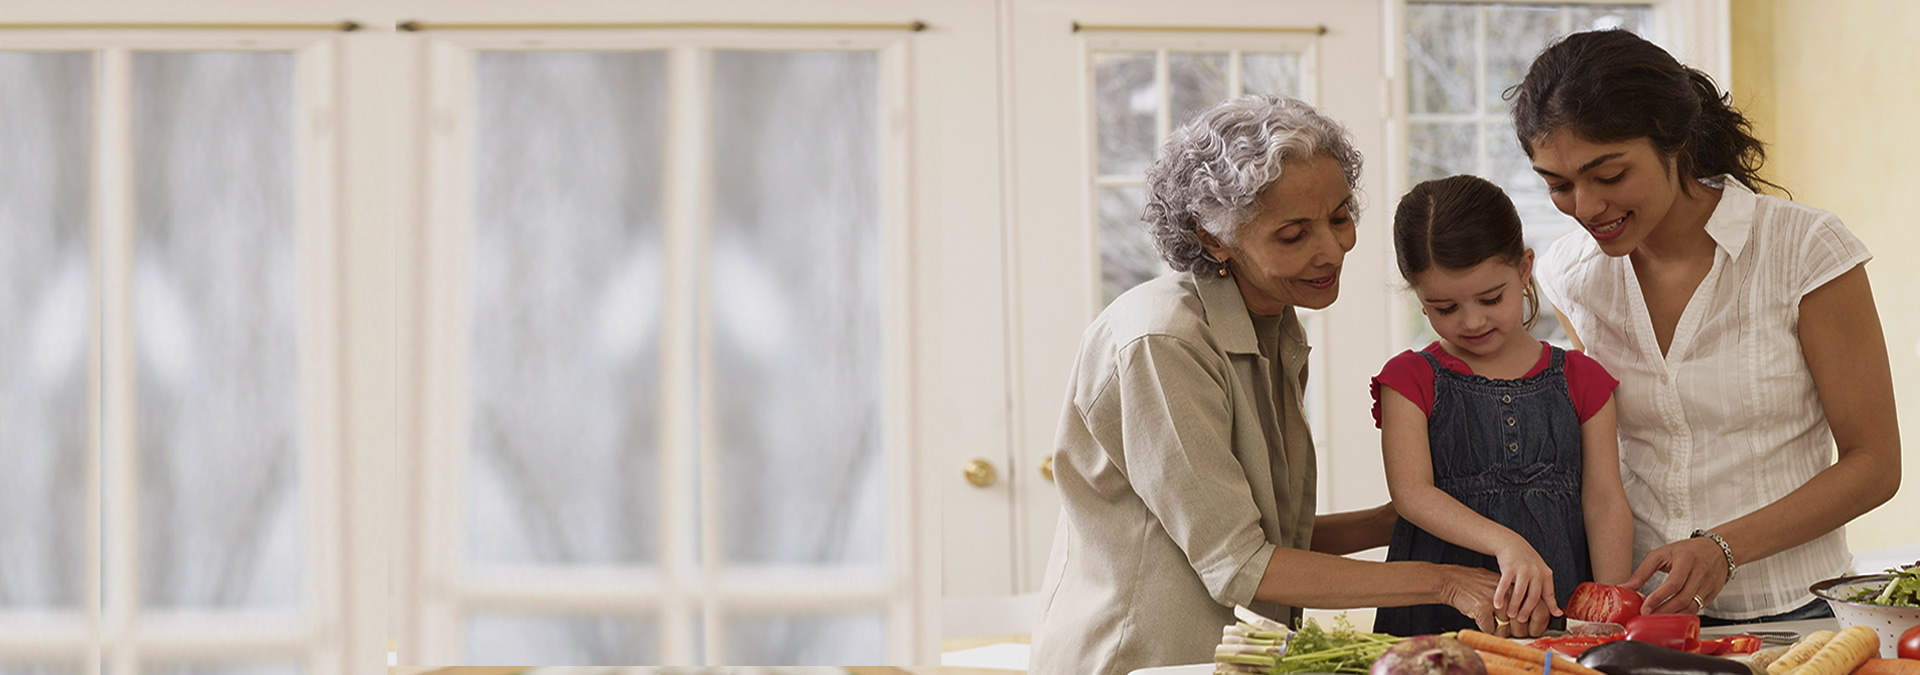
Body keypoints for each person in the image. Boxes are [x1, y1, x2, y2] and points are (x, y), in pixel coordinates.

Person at [1030, 95, 1511, 675]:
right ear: (1214, 238)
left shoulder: (1270, 321)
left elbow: (1272, 536)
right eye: (1293, 235)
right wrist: (1446, 582)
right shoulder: (1163, 342)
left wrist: (1398, 518)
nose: (1331, 250)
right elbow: (1240, 564)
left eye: (1339, 217)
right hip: (1143, 660)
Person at [1510, 29, 1902, 625]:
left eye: (1609, 176)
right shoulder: (1572, 275)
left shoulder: (1805, 251)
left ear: (1677, 143)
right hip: (1639, 618)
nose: (1586, 207)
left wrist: (1724, 547)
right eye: (1558, 185)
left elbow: (1875, 463)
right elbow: (1606, 453)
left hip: (1799, 613)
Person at [1369, 175, 1634, 637]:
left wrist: (1606, 610)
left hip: (1557, 605)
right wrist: (1506, 543)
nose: (1471, 321)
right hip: (1435, 613)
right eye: (1444, 308)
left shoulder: (1582, 378)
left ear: (1525, 268)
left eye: (1491, 298)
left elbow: (1605, 501)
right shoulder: (1408, 379)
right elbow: (1412, 495)